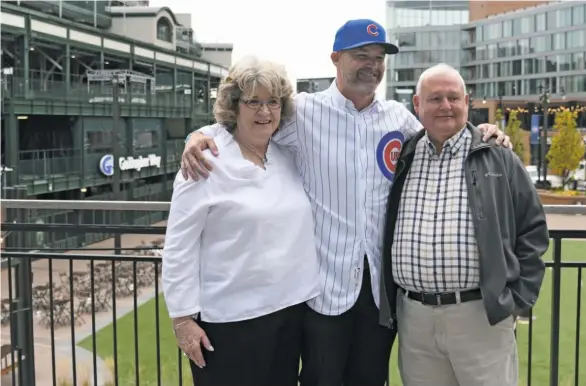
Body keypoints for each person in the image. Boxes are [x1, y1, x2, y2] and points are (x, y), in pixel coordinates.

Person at [180, 19, 512, 386]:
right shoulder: (301, 113)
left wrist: (485, 131)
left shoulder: (398, 119)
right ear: (336, 59)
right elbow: (245, 124)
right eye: (361, 55)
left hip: (379, 297)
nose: (371, 64)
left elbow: (444, 129)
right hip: (323, 291)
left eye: (378, 57)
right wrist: (198, 136)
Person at [378, 63, 550, 386]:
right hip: (414, 320)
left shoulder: (497, 155)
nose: (446, 106)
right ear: (417, 106)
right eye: (435, 98)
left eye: (454, 98)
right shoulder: (404, 157)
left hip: (480, 317)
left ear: (467, 102)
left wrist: (515, 301)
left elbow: (533, 230)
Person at [161, 57, 320, 386]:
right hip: (231, 322)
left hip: (290, 313)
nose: (265, 112)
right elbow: (179, 246)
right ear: (234, 107)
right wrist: (182, 319)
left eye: (273, 102)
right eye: (253, 102)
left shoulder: (286, 157)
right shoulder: (205, 162)